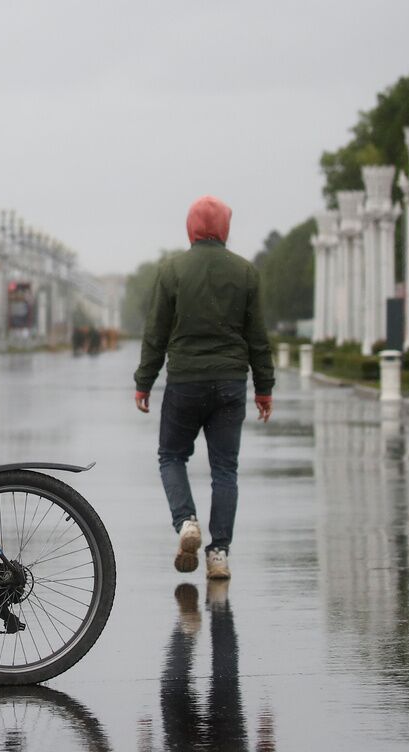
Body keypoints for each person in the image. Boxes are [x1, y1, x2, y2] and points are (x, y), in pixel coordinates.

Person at [132, 195, 274, 581]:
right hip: (230, 383)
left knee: (171, 456)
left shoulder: (173, 271)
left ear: (190, 228)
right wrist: (264, 388)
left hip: (185, 382)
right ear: (225, 227)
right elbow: (258, 337)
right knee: (225, 470)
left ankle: (187, 521)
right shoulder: (246, 273)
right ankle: (219, 556)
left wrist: (144, 381)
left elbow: (156, 332)